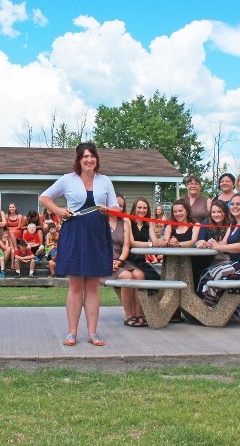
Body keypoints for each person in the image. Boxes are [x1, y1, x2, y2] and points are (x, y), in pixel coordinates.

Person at [40, 142, 119, 347]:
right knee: (75, 286)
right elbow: (44, 197)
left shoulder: (105, 181)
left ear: (96, 159)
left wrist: (108, 210)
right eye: (85, 157)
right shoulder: (68, 179)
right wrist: (59, 211)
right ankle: (72, 333)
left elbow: (115, 207)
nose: (89, 160)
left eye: (92, 156)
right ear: (78, 160)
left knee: (93, 286)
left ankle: (92, 332)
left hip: (97, 235)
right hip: (74, 234)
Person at [199, 193, 240, 323]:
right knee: (207, 272)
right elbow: (224, 243)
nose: (235, 207)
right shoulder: (233, 224)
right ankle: (216, 308)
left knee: (216, 272)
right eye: (233, 204)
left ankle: (211, 308)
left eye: (238, 204)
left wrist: (219, 247)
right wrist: (212, 243)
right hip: (237, 264)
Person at [110, 194, 146, 327]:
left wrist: (119, 261)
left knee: (139, 275)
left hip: (121, 260)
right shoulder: (101, 222)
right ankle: (128, 314)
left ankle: (138, 313)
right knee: (128, 277)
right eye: (115, 204)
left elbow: (126, 247)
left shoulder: (125, 223)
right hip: (104, 262)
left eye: (120, 205)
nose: (117, 207)